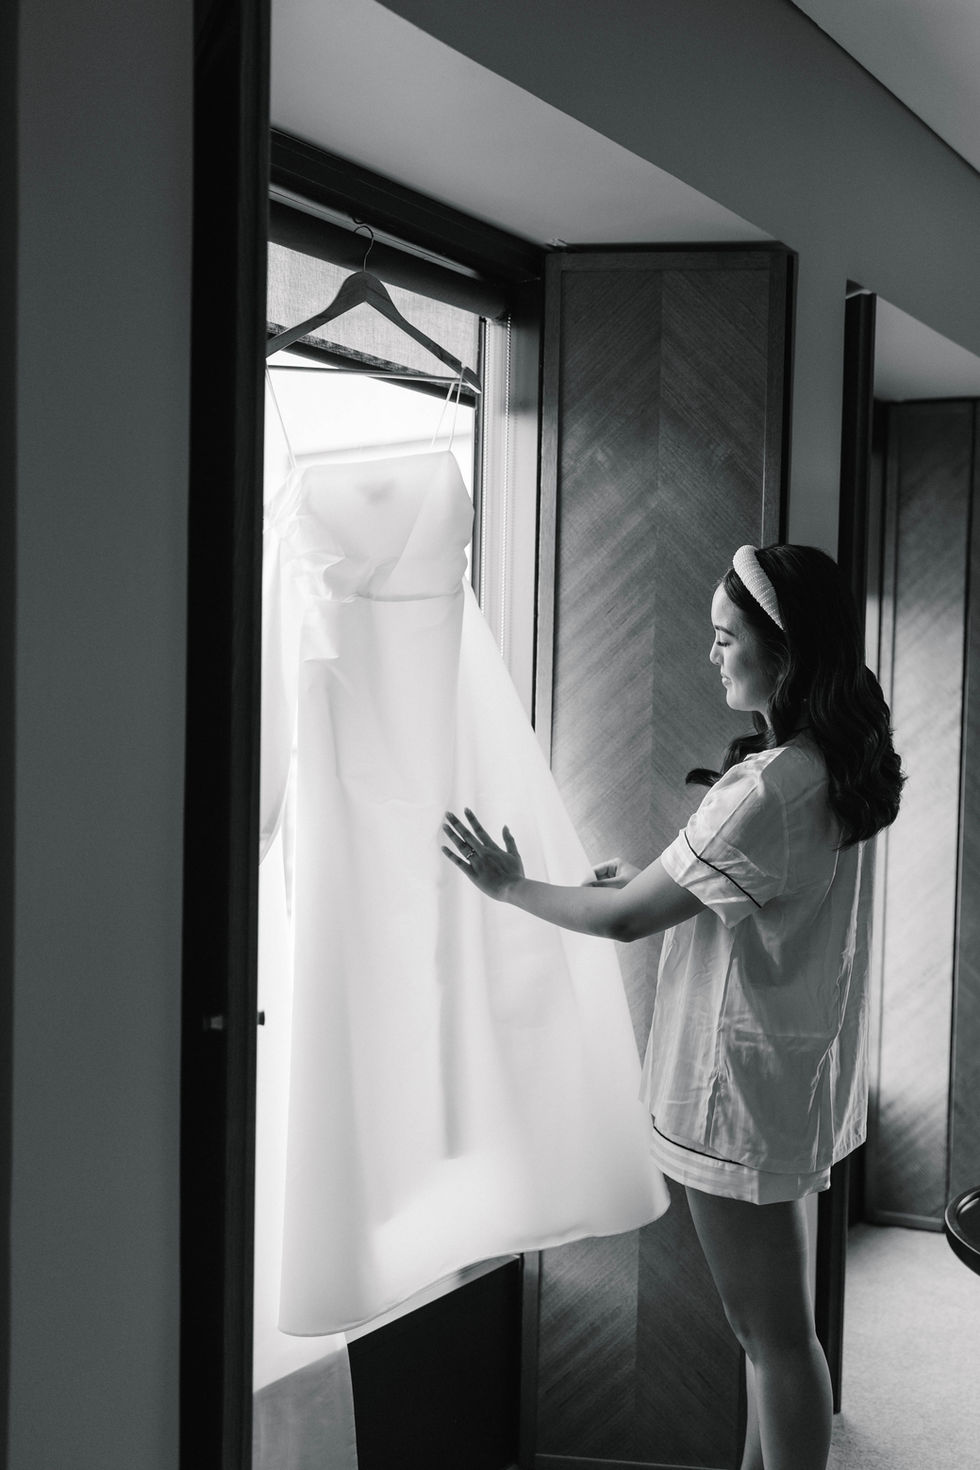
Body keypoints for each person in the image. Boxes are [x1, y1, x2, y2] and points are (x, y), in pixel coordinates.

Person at [442, 543, 903, 1470]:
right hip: (782, 1074)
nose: (713, 654)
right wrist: (652, 881)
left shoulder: (770, 786)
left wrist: (509, 885)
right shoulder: (819, 767)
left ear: (784, 653)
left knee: (773, 1336)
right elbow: (727, 893)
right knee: (771, 1332)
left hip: (734, 1092)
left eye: (727, 638)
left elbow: (623, 922)